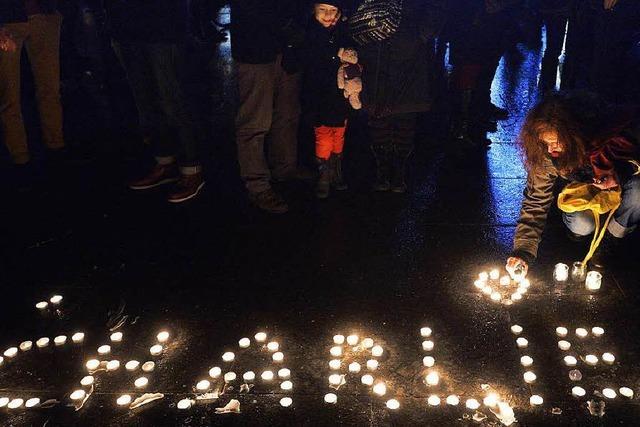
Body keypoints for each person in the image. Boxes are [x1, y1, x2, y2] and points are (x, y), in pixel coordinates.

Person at [506, 92, 639, 278]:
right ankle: (579, 232)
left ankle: (611, 239)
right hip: (586, 193)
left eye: (557, 143)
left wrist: (620, 175)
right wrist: (523, 252)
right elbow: (536, 201)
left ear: (574, 137)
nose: (551, 149)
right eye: (545, 143)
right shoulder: (546, 155)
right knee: (581, 225)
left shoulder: (610, 136)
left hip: (623, 185)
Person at [105, 0, 205, 203]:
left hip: (163, 26)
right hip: (125, 26)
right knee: (145, 102)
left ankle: (191, 168)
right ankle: (165, 161)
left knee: (172, 101)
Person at [351, 0, 446, 192]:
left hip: (408, 58)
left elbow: (435, 8)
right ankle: (383, 169)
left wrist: (421, 35)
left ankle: (398, 170)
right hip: (373, 53)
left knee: (405, 118)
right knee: (378, 117)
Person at [231, 0, 310, 214]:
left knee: (287, 113)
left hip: (288, 47)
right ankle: (257, 185)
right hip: (255, 46)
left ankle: (285, 168)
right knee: (255, 120)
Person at [0, 0, 65, 166]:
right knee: (10, 95)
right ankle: (21, 155)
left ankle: (54, 147)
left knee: (49, 89)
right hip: (10, 18)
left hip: (42, 13)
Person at [299, 1, 352, 199]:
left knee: (339, 133)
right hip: (318, 94)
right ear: (313, 10)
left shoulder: (343, 31)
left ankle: (335, 170)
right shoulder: (309, 33)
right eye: (323, 10)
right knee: (323, 135)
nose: (328, 15)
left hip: (338, 95)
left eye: (333, 10)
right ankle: (324, 173)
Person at [537, 0, 571, 93]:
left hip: (557, 8)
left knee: (553, 45)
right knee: (554, 45)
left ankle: (547, 83)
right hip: (558, 8)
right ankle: (548, 84)